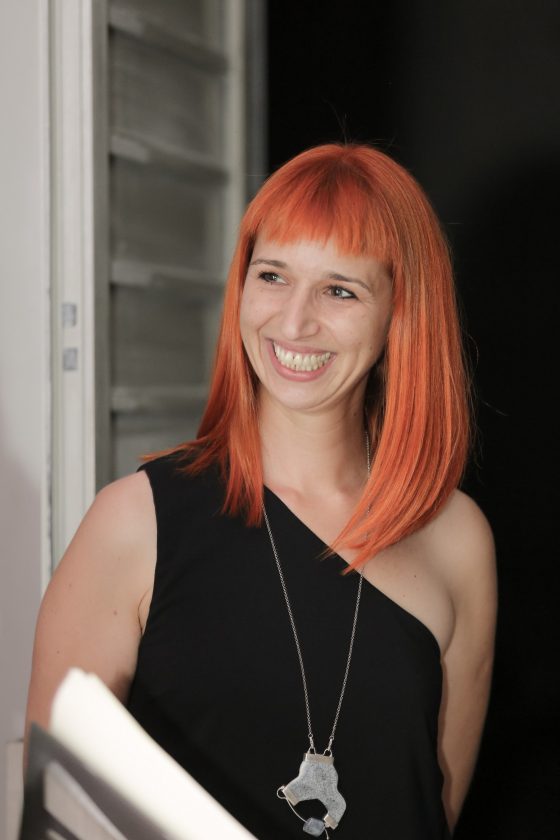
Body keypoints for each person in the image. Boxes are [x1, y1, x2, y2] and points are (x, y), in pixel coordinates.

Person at [25, 143, 497, 839]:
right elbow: (58, 813)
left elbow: (433, 808)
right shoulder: (134, 523)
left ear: (402, 314)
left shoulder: (457, 537)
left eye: (340, 290)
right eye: (273, 275)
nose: (294, 321)